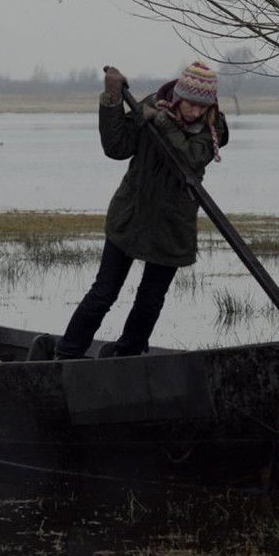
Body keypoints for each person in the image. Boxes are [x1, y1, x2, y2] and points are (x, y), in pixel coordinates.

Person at [48, 61, 229, 360]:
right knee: (103, 292)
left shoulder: (213, 127)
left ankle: (127, 357)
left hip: (172, 224)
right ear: (178, 96)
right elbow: (116, 147)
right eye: (191, 104)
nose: (196, 112)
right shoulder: (151, 104)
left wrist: (163, 121)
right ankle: (66, 355)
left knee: (150, 300)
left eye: (202, 106)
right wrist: (112, 100)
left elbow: (190, 159)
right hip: (130, 215)